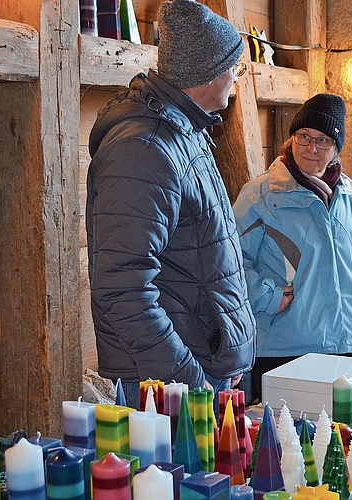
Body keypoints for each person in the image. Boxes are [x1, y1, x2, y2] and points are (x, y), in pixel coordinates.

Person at [86, 0, 256, 406]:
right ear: (208, 71)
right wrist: (191, 386)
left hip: (197, 373)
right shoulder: (144, 149)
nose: (236, 77)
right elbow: (122, 288)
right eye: (235, 66)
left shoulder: (184, 132)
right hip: (168, 387)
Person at [233, 93, 352, 402]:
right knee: (285, 443)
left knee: (341, 440)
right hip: (283, 347)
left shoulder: (351, 195)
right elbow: (230, 262)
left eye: (322, 140)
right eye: (303, 136)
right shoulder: (261, 195)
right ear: (291, 139)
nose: (310, 148)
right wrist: (266, 296)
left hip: (343, 345)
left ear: (336, 149)